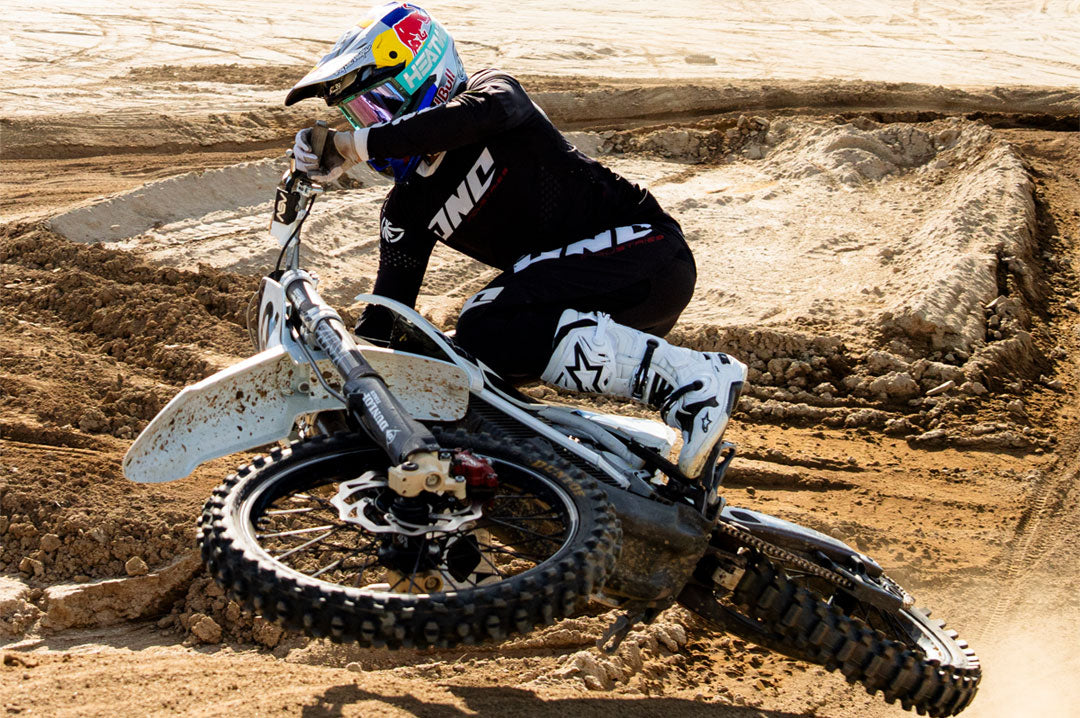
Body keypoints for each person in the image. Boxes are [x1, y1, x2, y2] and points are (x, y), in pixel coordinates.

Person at [286, 2, 747, 477]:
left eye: (376, 105)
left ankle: (696, 379)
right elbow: (386, 319)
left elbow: (470, 116)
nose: (369, 124)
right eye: (359, 115)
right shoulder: (407, 208)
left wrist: (351, 145)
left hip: (648, 254)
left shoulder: (494, 95)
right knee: (447, 360)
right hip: (580, 299)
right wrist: (336, 383)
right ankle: (609, 456)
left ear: (428, 73)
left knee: (484, 317)